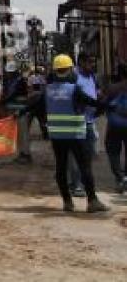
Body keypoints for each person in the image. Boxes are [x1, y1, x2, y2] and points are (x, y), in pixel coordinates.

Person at [44, 54, 109, 213]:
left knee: (61, 167)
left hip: (57, 137)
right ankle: (92, 201)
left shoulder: (48, 90)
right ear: (69, 70)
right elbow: (91, 102)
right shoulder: (74, 89)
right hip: (76, 135)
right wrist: (108, 105)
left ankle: (67, 202)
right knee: (85, 167)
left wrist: (19, 113)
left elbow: (34, 106)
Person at [68, 53, 100, 197]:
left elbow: (94, 93)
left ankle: (80, 180)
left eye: (94, 62)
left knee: (90, 154)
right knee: (77, 155)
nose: (93, 65)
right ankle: (77, 185)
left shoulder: (92, 76)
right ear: (80, 62)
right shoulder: (74, 77)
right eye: (90, 62)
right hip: (78, 121)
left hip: (91, 121)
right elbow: (76, 97)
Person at [1, 61, 32, 163]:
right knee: (18, 134)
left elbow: (13, 94)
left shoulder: (19, 81)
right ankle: (21, 153)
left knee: (23, 133)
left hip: (21, 111)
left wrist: (3, 101)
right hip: (15, 110)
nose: (9, 74)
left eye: (10, 72)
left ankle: (26, 154)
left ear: (15, 72)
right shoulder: (12, 81)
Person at [104, 63, 127, 193]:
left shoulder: (113, 88)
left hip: (115, 125)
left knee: (113, 151)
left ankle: (120, 178)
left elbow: (104, 104)